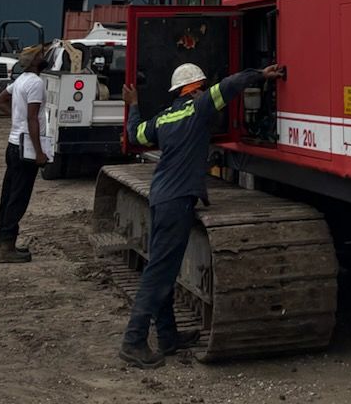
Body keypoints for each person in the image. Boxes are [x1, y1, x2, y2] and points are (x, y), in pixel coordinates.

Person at [118, 59, 285, 368]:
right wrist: (261, 74)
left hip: (161, 196)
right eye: (204, 87)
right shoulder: (199, 107)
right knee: (159, 272)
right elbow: (232, 84)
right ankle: (133, 341)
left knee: (162, 268)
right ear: (196, 88)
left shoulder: (165, 118)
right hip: (177, 200)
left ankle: (167, 337)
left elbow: (137, 134)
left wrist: (134, 105)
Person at [0, 46, 51, 264]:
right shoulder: (36, 83)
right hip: (25, 147)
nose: (43, 57)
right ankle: (7, 248)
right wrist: (39, 152)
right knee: (19, 197)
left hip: (12, 145)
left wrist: (15, 119)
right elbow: (33, 119)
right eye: (40, 55)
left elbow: (0, 100)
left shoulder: (19, 81)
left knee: (8, 196)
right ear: (34, 61)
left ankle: (3, 243)